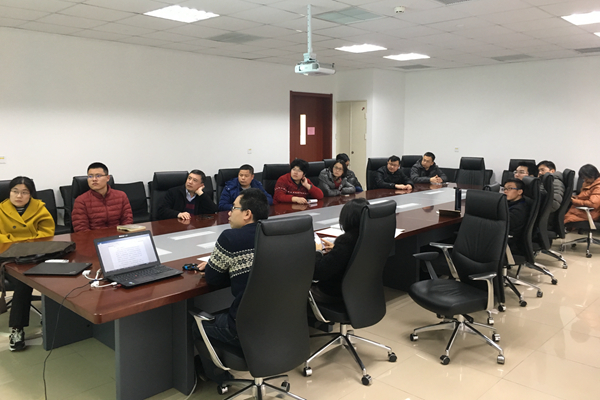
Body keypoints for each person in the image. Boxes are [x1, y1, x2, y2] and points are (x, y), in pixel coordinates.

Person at [193, 188, 269, 383]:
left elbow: (212, 278)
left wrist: (218, 263)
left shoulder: (231, 238)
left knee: (196, 325)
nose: (229, 212)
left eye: (234, 208)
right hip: (279, 320)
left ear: (247, 214)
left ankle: (217, 377)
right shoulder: (278, 233)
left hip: (243, 325)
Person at [0, 177, 55, 352]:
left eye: (24, 192)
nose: (19, 196)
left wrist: (20, 242)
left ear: (31, 194)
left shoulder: (40, 208)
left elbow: (47, 233)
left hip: (35, 256)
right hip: (7, 258)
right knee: (23, 282)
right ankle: (17, 329)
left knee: (57, 273)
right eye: (15, 191)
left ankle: (54, 317)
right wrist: (24, 242)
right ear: (9, 192)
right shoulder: (1, 210)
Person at [311, 198, 367, 304]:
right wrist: (335, 249)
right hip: (358, 290)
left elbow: (319, 272)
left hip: (334, 293)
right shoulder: (368, 236)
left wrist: (318, 251)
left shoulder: (346, 242)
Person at [71, 162, 133, 232]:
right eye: (90, 176)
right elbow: (81, 229)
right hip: (94, 237)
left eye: (98, 176)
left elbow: (127, 221)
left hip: (118, 236)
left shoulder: (121, 196)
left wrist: (121, 236)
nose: (94, 179)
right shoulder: (81, 200)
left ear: (107, 178)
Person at [504, 178, 530, 256]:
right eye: (505, 189)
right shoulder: (513, 203)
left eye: (509, 188)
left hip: (511, 242)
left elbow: (505, 225)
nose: (505, 191)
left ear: (520, 192)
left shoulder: (519, 210)